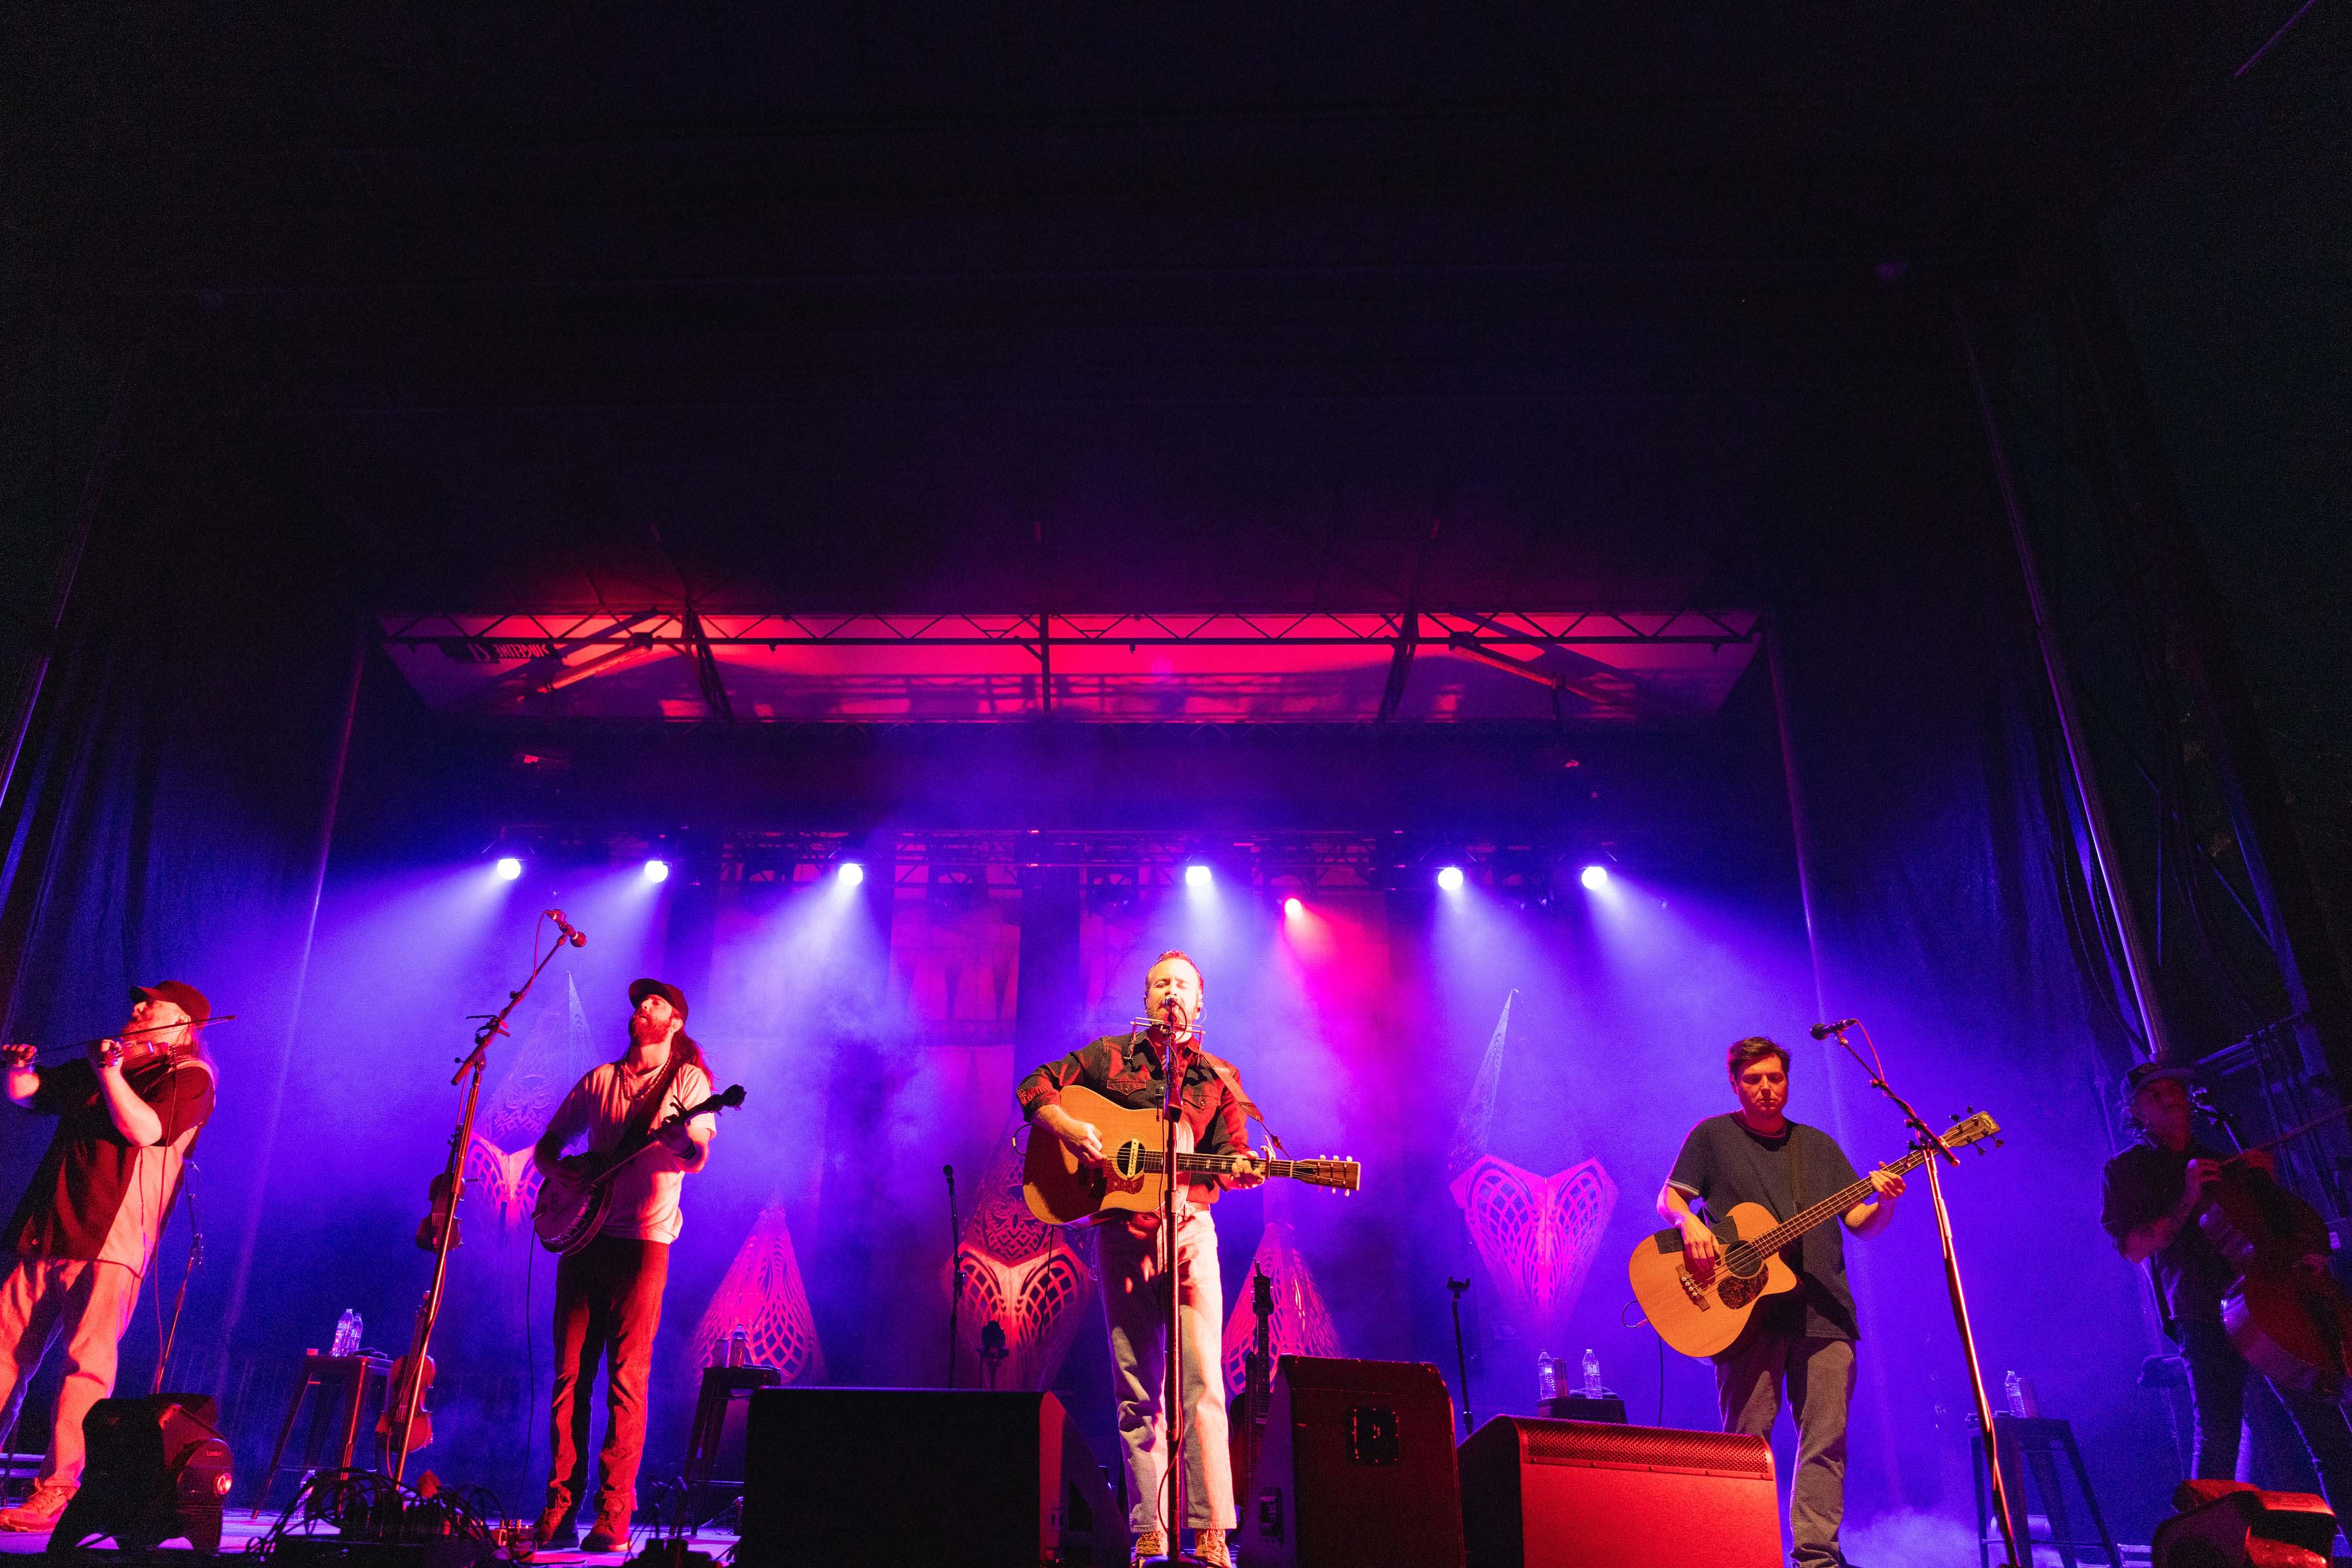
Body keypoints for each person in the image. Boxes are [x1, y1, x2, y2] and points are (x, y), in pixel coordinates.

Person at [1017, 951, 1266, 1568]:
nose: (1170, 992)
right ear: (1147, 998)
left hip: (1190, 1232)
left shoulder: (1221, 1077)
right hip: (1123, 1233)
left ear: (1199, 1003)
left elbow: (1233, 1153)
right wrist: (1069, 1128)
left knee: (1203, 1381)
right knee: (1137, 1388)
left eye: (1182, 984)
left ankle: (1211, 1533)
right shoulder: (1108, 1057)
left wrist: (1242, 1170)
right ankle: (1148, 1530)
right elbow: (1033, 1086)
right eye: (1160, 984)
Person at [1657, 1035, 1903, 1568]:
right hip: (1746, 1315)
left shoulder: (1817, 1146)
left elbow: (1860, 1223)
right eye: (1754, 1080)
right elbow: (1669, 1196)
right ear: (1735, 1083)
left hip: (1825, 1311)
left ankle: (1817, 1558)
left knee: (1826, 1443)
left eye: (1776, 1078)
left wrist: (1883, 1202)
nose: (1767, 1089)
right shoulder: (1713, 1137)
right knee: (1746, 1443)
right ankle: (1741, 1553)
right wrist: (1690, 1223)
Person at [0, 982, 217, 1533]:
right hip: (50, 1228)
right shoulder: (105, 1062)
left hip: (113, 1242)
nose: (136, 1009)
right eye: (136, 1002)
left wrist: (108, 1073)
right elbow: (31, 1094)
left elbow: (144, 1130)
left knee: (85, 1369)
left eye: (151, 1005)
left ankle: (59, 1490)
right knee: (3, 1353)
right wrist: (17, 1069)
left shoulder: (189, 1077)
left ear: (181, 1025)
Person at [2100, 1061, 2352, 1509]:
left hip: (2273, 1308)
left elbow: (2277, 1230)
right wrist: (2188, 1197)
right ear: (2135, 1112)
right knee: (2218, 1441)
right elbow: (2137, 1247)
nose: (2170, 1097)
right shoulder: (2128, 1169)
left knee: (2329, 1434)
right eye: (2154, 1095)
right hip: (2203, 1311)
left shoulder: (2223, 1157)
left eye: (2174, 1090)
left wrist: (2269, 1188)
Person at [531, 979, 717, 1553]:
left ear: (676, 1023)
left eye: (657, 1003)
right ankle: (559, 1510)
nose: (644, 1008)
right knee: (568, 1380)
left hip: (644, 1243)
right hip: (585, 1238)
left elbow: (698, 1156)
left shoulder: (690, 1082)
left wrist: (679, 1142)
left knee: (626, 1380)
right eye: (641, 1002)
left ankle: (613, 1513)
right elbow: (548, 1144)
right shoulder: (599, 1081)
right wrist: (557, 1170)